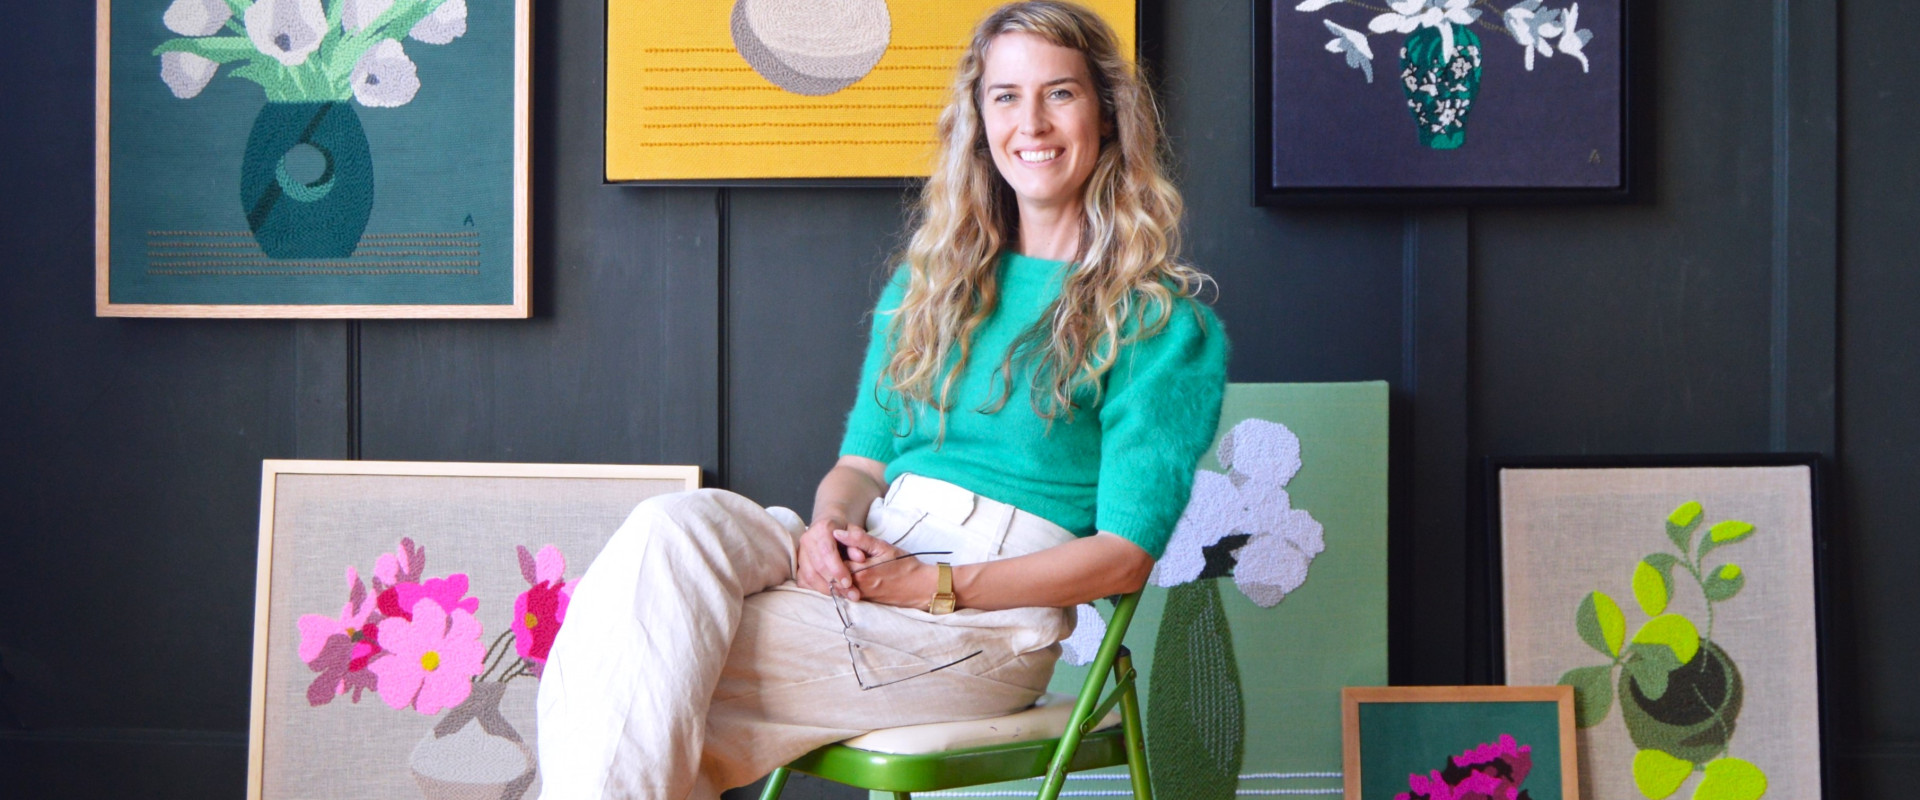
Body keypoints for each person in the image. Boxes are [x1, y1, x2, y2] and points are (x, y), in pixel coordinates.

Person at [535, 3, 1229, 798]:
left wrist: (932, 588)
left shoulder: (1162, 325)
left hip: (980, 624)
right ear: (978, 118)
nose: (1030, 121)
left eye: (1059, 93)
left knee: (632, 650)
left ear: (1106, 113)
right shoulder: (932, 288)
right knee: (670, 530)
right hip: (868, 557)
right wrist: (830, 529)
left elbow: (1125, 557)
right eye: (1005, 95)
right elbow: (860, 468)